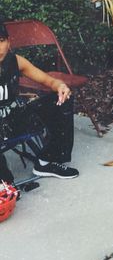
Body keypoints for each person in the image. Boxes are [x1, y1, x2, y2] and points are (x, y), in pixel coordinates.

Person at [0, 19, 78, 185]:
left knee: (62, 100)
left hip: (14, 117)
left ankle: (46, 162)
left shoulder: (16, 61)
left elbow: (48, 81)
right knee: (7, 188)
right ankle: (5, 183)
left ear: (8, 42)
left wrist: (60, 86)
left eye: (1, 41)